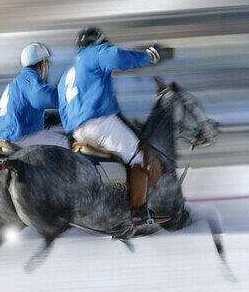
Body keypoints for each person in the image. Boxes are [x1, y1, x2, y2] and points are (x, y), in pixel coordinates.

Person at [59, 27, 172, 227]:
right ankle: (138, 210)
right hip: (101, 124)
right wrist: (150, 56)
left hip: (78, 133)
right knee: (140, 157)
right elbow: (117, 57)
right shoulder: (94, 54)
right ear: (96, 42)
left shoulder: (66, 75)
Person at [0, 42, 68, 151]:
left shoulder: (14, 83)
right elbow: (44, 97)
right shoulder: (29, 78)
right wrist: (70, 97)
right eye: (47, 65)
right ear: (42, 64)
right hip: (20, 136)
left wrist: (48, 116)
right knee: (68, 144)